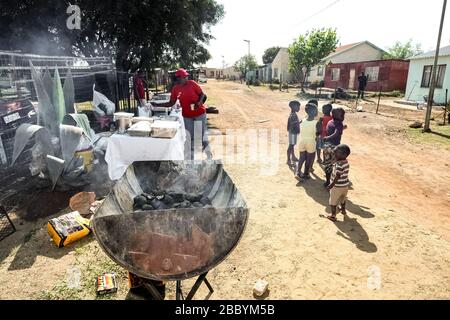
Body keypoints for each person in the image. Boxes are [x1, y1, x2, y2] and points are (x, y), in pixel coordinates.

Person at [162, 68, 211, 160]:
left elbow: (202, 95)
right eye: (184, 77)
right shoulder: (175, 89)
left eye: (186, 76)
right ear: (178, 78)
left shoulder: (192, 83)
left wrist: (199, 103)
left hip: (199, 113)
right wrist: (157, 105)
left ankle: (209, 156)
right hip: (187, 116)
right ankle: (190, 159)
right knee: (189, 137)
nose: (186, 78)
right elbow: (171, 103)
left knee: (201, 135)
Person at [326, 144, 351, 222]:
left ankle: (333, 216)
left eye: (336, 152)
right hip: (345, 186)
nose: (334, 153)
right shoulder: (346, 162)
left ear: (343, 154)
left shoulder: (339, 165)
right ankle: (343, 210)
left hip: (337, 186)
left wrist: (331, 185)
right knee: (343, 199)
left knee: (333, 201)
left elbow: (337, 176)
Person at [322, 107, 346, 186]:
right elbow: (336, 133)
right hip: (335, 147)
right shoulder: (339, 124)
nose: (343, 117)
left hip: (326, 146)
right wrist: (328, 137)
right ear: (335, 115)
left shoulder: (330, 122)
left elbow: (330, 130)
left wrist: (326, 138)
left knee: (327, 164)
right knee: (336, 165)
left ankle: (327, 181)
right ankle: (333, 182)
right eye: (342, 115)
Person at [295, 103, 319, 181]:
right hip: (311, 142)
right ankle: (306, 173)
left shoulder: (302, 120)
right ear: (315, 112)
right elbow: (318, 133)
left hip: (302, 141)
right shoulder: (316, 123)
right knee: (309, 159)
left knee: (301, 158)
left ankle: (298, 172)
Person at [286, 101, 301, 166]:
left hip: (292, 132)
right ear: (293, 107)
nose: (299, 108)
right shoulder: (293, 115)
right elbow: (292, 123)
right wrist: (299, 122)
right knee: (291, 145)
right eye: (297, 106)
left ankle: (293, 157)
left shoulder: (293, 113)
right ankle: (288, 160)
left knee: (292, 145)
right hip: (292, 132)